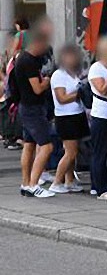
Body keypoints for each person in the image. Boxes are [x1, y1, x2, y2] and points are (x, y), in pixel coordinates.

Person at [16, 31, 56, 198]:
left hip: (26, 107)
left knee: (29, 145)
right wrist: (47, 81)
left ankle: (26, 184)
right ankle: (34, 184)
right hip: (33, 109)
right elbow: (37, 88)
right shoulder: (29, 62)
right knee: (47, 146)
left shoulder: (22, 58)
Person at [48, 44, 90, 194]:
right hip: (65, 117)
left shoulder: (74, 74)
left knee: (73, 150)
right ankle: (57, 181)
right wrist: (79, 94)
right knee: (70, 152)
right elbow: (62, 98)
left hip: (77, 114)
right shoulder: (58, 75)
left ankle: (69, 180)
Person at [88, 36, 107, 200]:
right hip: (101, 115)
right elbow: (102, 89)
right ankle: (99, 187)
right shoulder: (96, 68)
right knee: (100, 152)